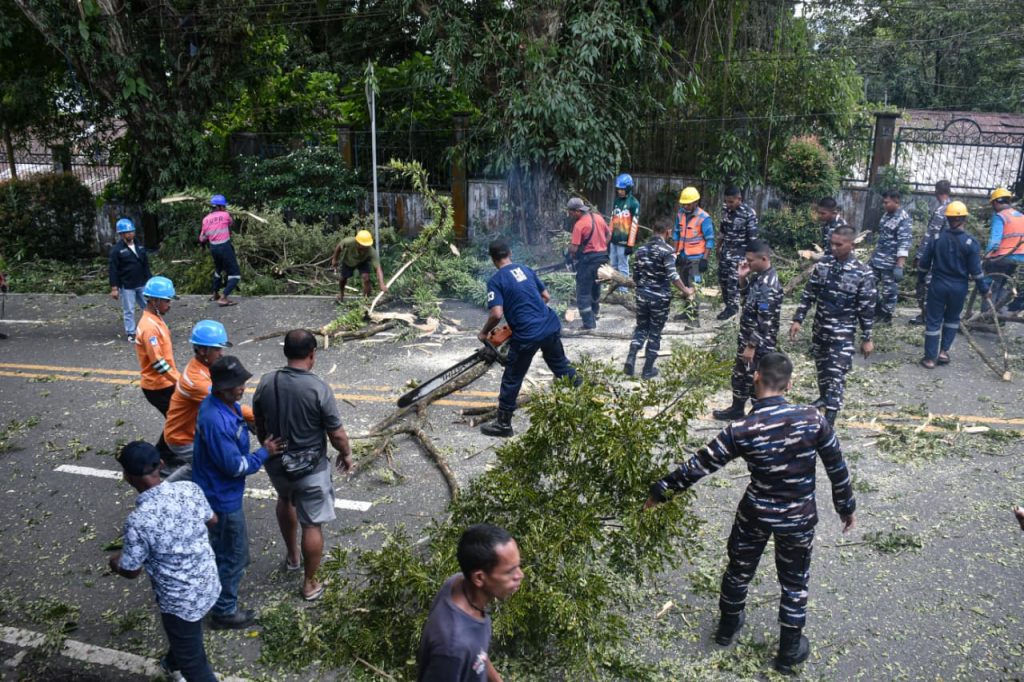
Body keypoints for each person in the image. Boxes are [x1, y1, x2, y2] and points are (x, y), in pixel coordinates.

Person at [645, 352, 856, 675]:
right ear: (789, 384)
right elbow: (836, 466)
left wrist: (660, 492)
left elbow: (700, 465)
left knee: (738, 570)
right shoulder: (813, 418)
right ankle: (788, 652)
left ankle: (727, 629)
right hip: (798, 518)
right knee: (795, 583)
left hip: (755, 513)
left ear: (756, 377)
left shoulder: (741, 428)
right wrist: (846, 507)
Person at [253, 330, 353, 601]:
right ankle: (309, 583)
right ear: (312, 354)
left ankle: (293, 557)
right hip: (311, 469)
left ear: (286, 352)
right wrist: (345, 454)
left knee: (285, 499)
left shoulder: (266, 382)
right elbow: (337, 433)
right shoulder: (318, 388)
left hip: (277, 463)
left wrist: (265, 444)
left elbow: (258, 421)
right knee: (312, 524)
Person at [108, 441, 221, 682]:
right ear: (161, 464)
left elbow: (131, 570)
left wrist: (114, 561)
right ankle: (172, 663)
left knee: (195, 667)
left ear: (127, 476)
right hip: (208, 583)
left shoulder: (138, 521)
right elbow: (213, 521)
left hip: (179, 601)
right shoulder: (189, 489)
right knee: (186, 637)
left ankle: (179, 665)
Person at [192, 356, 286, 629]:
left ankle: (212, 593)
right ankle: (224, 610)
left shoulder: (219, 404)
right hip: (221, 497)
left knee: (219, 548)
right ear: (221, 388)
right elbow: (235, 466)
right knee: (235, 554)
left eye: (242, 383)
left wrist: (247, 425)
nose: (241, 389)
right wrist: (263, 453)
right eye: (236, 386)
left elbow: (235, 422)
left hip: (214, 491)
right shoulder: (215, 421)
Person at [478, 240, 577, 437]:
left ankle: (503, 425)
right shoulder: (525, 269)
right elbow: (546, 297)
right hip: (549, 325)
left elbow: (496, 314)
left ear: (492, 259)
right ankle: (585, 396)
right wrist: (530, 313)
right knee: (560, 365)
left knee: (512, 377)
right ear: (510, 253)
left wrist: (483, 333)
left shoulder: (495, 280)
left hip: (527, 335)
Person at [789, 226, 876, 426]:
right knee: (822, 368)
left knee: (836, 373)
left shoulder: (863, 273)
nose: (834, 248)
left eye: (839, 244)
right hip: (821, 328)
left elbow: (867, 308)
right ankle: (823, 397)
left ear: (852, 245)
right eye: (832, 243)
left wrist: (867, 338)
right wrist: (798, 319)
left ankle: (830, 415)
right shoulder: (824, 265)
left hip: (843, 332)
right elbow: (809, 293)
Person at [417, 524, 523, 681]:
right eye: (510, 572)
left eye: (518, 566)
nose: (520, 575)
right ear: (479, 578)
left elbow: (478, 655)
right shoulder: (453, 647)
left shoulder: (457, 582)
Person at [163, 320, 251, 478]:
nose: (221, 353)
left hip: (194, 432)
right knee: (208, 467)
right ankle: (164, 493)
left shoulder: (206, 367)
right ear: (203, 350)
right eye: (217, 349)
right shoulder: (197, 381)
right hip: (183, 438)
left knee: (203, 467)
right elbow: (231, 407)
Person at [712, 240, 783, 421]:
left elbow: (765, 320)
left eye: (751, 261)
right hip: (747, 337)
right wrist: (742, 278)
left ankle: (760, 415)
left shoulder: (769, 284)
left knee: (756, 379)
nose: (747, 263)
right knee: (740, 375)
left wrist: (752, 345)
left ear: (764, 259)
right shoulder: (759, 277)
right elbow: (748, 300)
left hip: (759, 342)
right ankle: (737, 409)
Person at [918, 202, 991, 368]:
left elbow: (924, 263)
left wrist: (920, 279)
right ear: (964, 218)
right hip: (959, 288)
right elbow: (977, 272)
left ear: (948, 219)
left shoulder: (937, 239)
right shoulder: (971, 242)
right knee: (952, 319)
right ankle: (943, 352)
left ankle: (930, 359)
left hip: (938, 285)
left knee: (933, 321)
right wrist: (984, 290)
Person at [625, 218, 694, 380]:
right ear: (668, 231)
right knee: (655, 333)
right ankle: (647, 370)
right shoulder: (667, 251)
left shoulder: (640, 250)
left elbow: (635, 276)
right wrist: (685, 290)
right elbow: (672, 275)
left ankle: (631, 356)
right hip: (659, 299)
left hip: (642, 296)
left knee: (641, 328)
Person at [134, 276, 181, 465]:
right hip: (157, 386)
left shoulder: (156, 319)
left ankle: (166, 453)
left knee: (176, 418)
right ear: (154, 301)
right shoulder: (149, 328)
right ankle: (162, 455)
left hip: (165, 382)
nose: (170, 304)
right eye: (167, 300)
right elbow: (158, 363)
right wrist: (180, 381)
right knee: (177, 419)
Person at [909, 180, 951, 326]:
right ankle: (935, 315)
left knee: (925, 285)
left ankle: (926, 316)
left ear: (936, 191)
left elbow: (931, 236)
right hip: (947, 256)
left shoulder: (941, 211)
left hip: (934, 255)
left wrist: (920, 256)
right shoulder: (954, 209)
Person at [868, 190, 912, 324]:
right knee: (869, 285)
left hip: (890, 262)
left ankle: (886, 316)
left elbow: (904, 242)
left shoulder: (903, 219)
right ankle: (876, 311)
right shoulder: (886, 215)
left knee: (889, 291)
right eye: (884, 202)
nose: (884, 205)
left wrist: (900, 266)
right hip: (877, 260)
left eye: (887, 202)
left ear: (896, 201)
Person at [672, 186, 714, 323]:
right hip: (683, 256)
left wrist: (705, 260)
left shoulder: (704, 218)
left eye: (688, 204)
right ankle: (686, 312)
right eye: (684, 203)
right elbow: (676, 234)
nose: (686, 206)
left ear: (696, 202)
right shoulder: (680, 214)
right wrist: (676, 253)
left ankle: (694, 318)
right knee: (684, 285)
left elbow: (709, 239)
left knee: (694, 287)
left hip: (696, 259)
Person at [567, 197, 611, 330]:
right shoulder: (598, 217)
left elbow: (574, 248)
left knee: (583, 292)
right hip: (602, 258)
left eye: (570, 212)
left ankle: (588, 324)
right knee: (595, 287)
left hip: (588, 261)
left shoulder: (579, 225)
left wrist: (569, 253)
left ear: (577, 211)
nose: (569, 215)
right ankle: (595, 313)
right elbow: (609, 234)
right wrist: (602, 246)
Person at [717, 186, 760, 320]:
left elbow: (753, 239)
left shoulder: (749, 213)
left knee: (733, 281)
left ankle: (733, 308)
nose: (728, 204)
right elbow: (722, 232)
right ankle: (731, 304)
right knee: (722, 280)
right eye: (726, 201)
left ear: (739, 199)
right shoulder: (725, 210)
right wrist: (718, 248)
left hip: (740, 254)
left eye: (731, 202)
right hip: (726, 252)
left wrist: (750, 259)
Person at [108, 217, 152, 343]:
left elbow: (145, 265)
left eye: (131, 231)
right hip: (127, 285)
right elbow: (113, 270)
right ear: (121, 234)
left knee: (148, 307)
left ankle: (150, 329)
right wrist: (114, 288)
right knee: (129, 310)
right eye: (127, 232)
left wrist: (150, 280)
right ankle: (131, 332)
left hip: (142, 283)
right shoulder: (116, 250)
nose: (130, 234)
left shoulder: (140, 246)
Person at [982, 187, 1024, 312]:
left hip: (1004, 257)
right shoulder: (1021, 216)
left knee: (990, 284)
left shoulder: (1000, 216)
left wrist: (986, 257)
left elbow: (995, 241)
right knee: (1004, 285)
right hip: (1021, 258)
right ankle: (1000, 315)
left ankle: (986, 317)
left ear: (995, 202)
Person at [199, 194, 241, 307]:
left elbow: (202, 238)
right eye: (224, 206)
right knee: (235, 275)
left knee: (218, 269)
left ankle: (215, 293)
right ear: (220, 207)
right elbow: (231, 224)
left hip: (213, 248)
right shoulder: (226, 215)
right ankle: (223, 297)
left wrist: (203, 248)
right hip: (225, 247)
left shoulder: (205, 219)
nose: (225, 208)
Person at [330, 229, 388, 303]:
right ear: (358, 243)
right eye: (364, 245)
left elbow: (378, 268)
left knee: (366, 278)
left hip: (362, 262)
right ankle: (341, 294)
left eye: (367, 245)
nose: (366, 247)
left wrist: (382, 284)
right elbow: (339, 247)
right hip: (348, 260)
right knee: (342, 279)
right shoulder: (349, 241)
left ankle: (366, 300)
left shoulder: (371, 251)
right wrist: (334, 259)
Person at [609, 173, 640, 291]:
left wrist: (630, 244)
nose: (620, 191)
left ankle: (623, 291)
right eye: (618, 189)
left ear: (628, 188)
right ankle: (614, 289)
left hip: (624, 241)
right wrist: (609, 236)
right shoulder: (616, 201)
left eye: (622, 189)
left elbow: (634, 224)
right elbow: (612, 219)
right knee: (613, 265)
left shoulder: (634, 203)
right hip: (614, 240)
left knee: (623, 266)